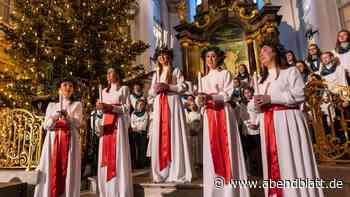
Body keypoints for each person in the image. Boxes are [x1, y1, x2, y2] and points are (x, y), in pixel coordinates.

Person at [254, 44, 324, 197]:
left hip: (288, 121)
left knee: (291, 160)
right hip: (269, 124)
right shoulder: (261, 80)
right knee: (275, 162)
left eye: (265, 50)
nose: (261, 54)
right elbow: (258, 106)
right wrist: (256, 105)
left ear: (276, 52)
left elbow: (300, 95)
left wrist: (271, 99)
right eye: (260, 52)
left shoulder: (290, 71)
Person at [196, 46, 249, 197]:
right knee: (211, 148)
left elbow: (227, 94)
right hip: (210, 115)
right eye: (207, 57)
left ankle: (230, 190)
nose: (210, 60)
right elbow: (201, 101)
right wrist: (200, 101)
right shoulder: (204, 79)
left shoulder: (226, 73)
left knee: (228, 147)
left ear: (218, 58)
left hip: (224, 113)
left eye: (213, 56)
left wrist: (211, 97)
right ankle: (215, 190)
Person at [148, 46, 192, 183]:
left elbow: (183, 87)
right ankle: (161, 171)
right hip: (160, 105)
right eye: (160, 56)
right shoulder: (156, 73)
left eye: (165, 55)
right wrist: (155, 89)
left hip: (173, 103)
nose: (163, 58)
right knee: (160, 135)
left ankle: (176, 170)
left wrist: (168, 87)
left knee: (174, 133)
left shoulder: (176, 71)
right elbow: (150, 92)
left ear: (170, 57)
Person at [34, 78, 83, 197]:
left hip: (69, 141)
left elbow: (78, 124)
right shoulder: (51, 105)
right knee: (51, 168)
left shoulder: (77, 104)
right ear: (59, 89)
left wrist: (67, 117)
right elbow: (46, 125)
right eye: (65, 85)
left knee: (68, 169)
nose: (68, 88)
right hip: (53, 142)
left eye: (70, 86)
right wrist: (55, 116)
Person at [94, 68, 133, 197]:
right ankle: (107, 190)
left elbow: (126, 108)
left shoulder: (124, 89)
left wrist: (111, 107)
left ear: (117, 75)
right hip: (107, 124)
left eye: (112, 72)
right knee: (105, 154)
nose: (109, 75)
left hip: (118, 123)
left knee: (118, 153)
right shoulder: (103, 92)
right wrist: (100, 109)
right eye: (108, 73)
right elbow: (100, 112)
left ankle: (120, 189)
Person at [130, 98, 149, 169]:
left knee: (143, 148)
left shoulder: (145, 113)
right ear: (137, 105)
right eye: (140, 105)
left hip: (143, 132)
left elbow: (145, 122)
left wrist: (141, 128)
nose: (141, 106)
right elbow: (132, 123)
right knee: (136, 148)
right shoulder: (133, 114)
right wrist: (136, 129)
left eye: (142, 105)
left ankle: (142, 163)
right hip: (135, 132)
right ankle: (136, 163)